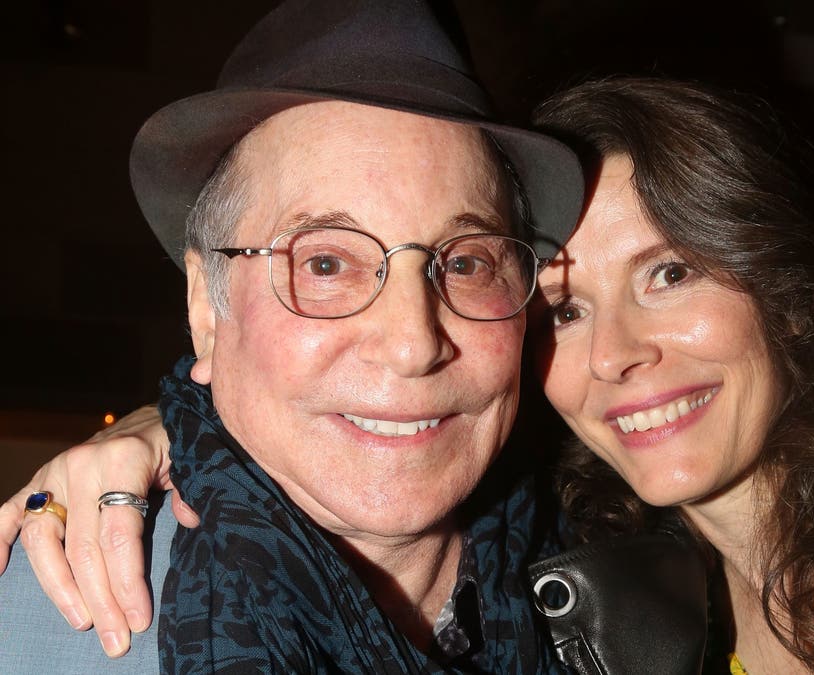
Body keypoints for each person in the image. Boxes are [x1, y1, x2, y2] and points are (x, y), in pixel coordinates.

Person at [7, 78, 814, 674]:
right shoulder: (597, 595)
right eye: (566, 303)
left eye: (672, 271)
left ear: (779, 275)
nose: (619, 350)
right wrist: (179, 428)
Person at [0, 0, 589, 672]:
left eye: (464, 262)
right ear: (205, 309)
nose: (412, 342)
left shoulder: (623, 598)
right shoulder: (28, 636)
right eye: (325, 263)